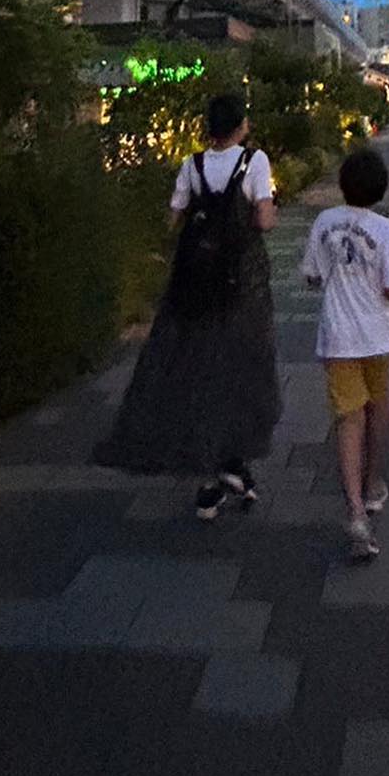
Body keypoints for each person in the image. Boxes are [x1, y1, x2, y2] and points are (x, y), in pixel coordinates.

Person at [94, 93, 282, 520]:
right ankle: (223, 468)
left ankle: (219, 472)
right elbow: (266, 220)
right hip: (240, 285)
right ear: (239, 126)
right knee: (238, 370)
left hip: (194, 283)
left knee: (198, 368)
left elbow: (174, 216)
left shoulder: (192, 165)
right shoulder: (254, 162)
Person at [301, 145, 389, 560]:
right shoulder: (384, 230)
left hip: (338, 337)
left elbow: (312, 276)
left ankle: (355, 510)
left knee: (349, 418)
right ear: (380, 188)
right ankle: (373, 481)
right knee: (378, 408)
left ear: (343, 184)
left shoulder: (324, 222)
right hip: (377, 336)